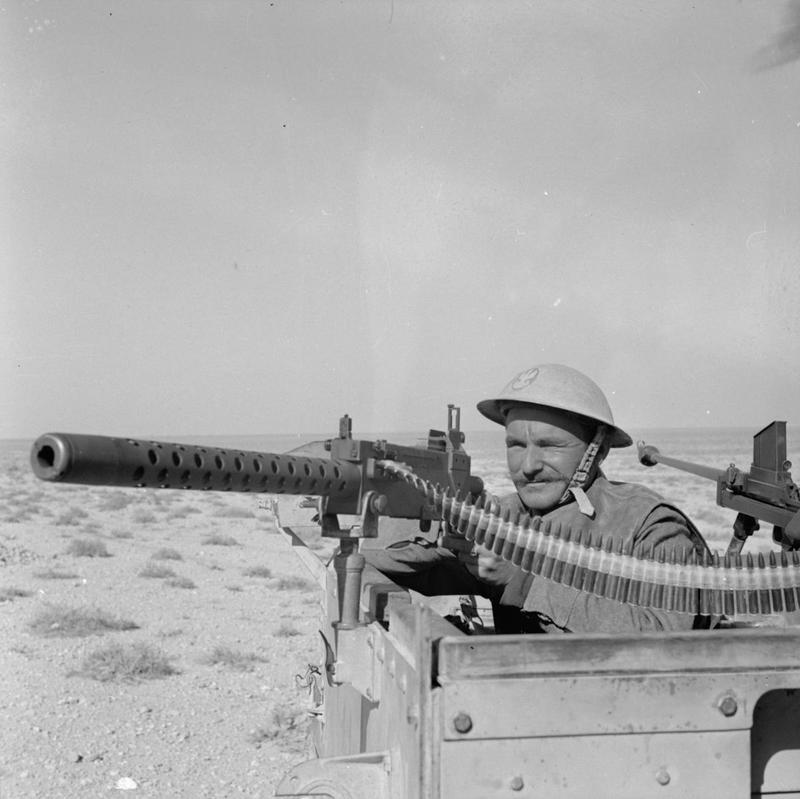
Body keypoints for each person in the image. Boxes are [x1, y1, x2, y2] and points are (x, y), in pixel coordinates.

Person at [364, 363, 713, 634]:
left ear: (599, 451)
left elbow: (668, 636)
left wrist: (525, 581)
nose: (528, 466)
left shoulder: (648, 524)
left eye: (549, 446)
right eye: (515, 446)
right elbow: (410, 566)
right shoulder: (508, 515)